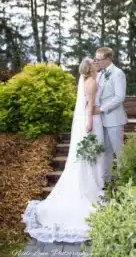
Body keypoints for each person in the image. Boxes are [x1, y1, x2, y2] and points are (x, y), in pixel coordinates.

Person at [21, 58, 105, 243]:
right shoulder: (91, 82)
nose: (96, 64)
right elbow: (89, 106)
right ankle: (89, 189)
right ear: (89, 68)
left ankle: (93, 186)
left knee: (89, 157)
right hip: (91, 122)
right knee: (90, 156)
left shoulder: (87, 80)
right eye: (93, 63)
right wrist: (90, 123)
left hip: (88, 121)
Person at [93, 47, 127, 183]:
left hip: (114, 119)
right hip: (102, 120)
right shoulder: (100, 73)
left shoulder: (118, 73)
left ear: (107, 59)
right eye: (95, 59)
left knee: (119, 152)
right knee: (105, 151)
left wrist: (101, 108)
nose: (97, 62)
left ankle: (124, 180)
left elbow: (120, 97)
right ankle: (106, 181)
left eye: (99, 59)